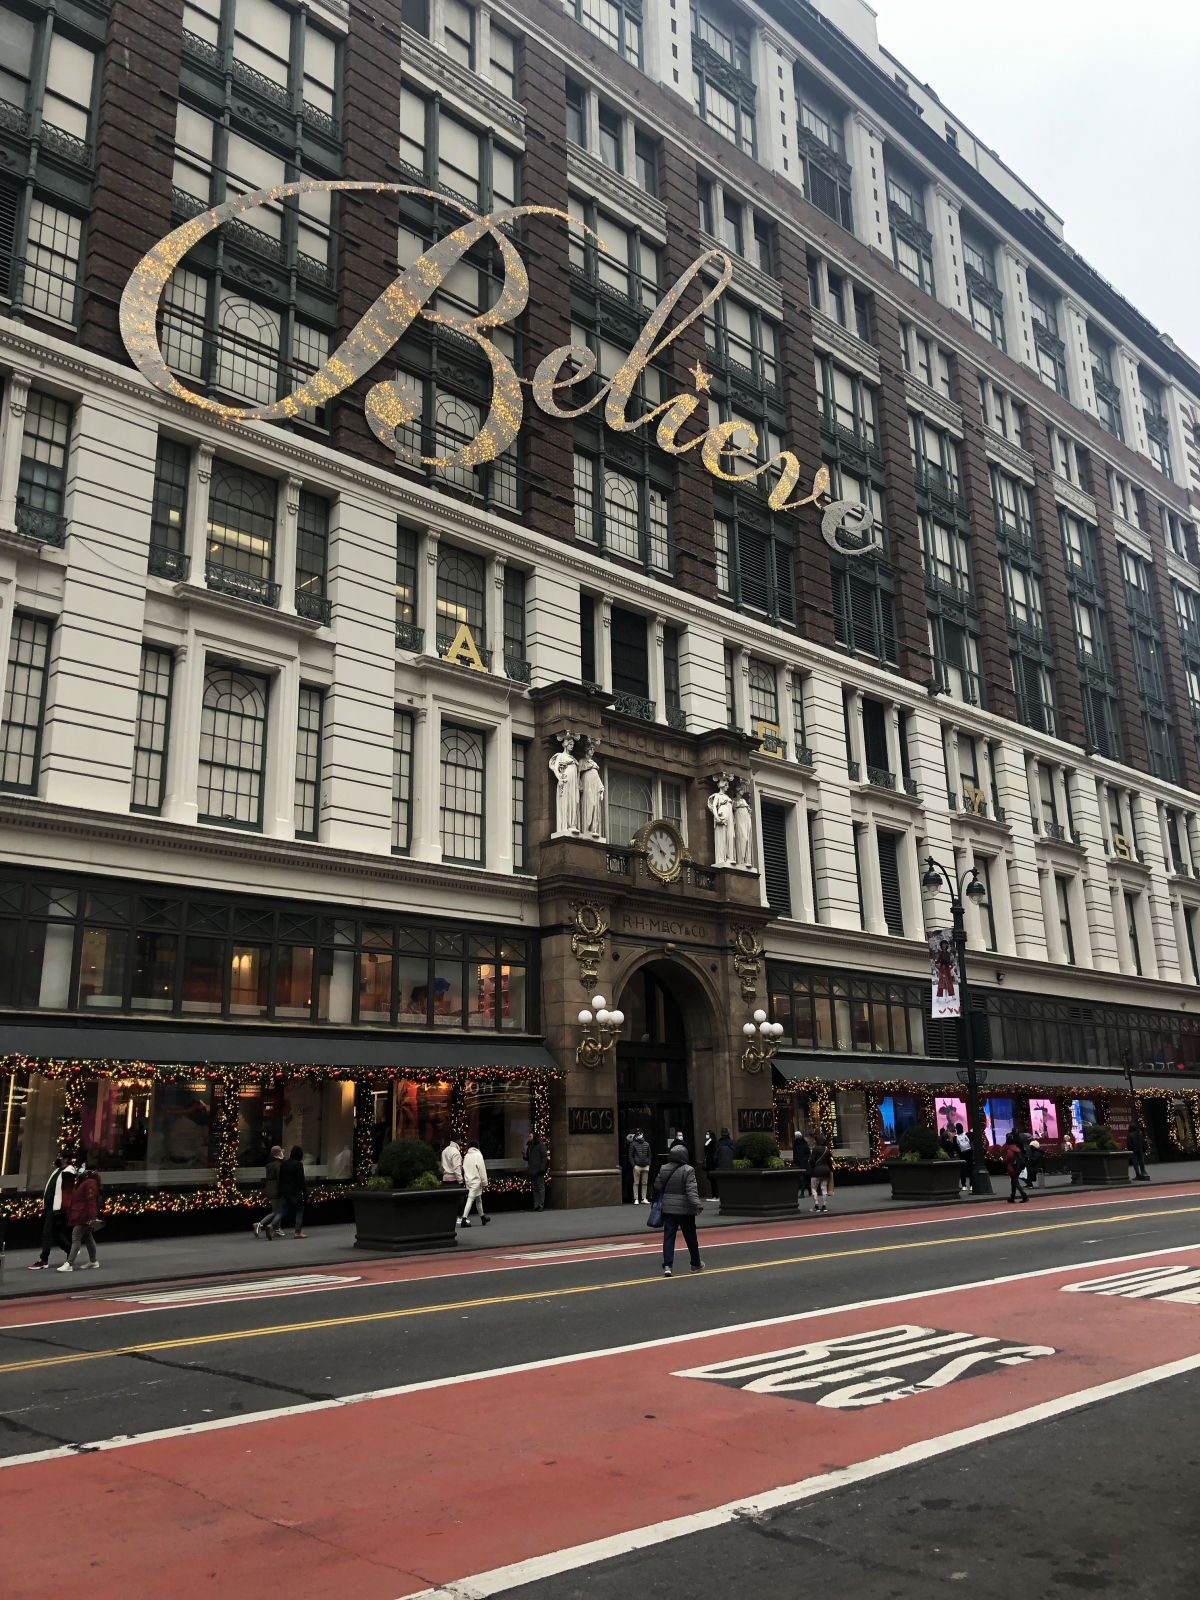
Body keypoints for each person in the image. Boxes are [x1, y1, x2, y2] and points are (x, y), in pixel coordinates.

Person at [653, 1137, 703, 1276]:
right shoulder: (689, 1170)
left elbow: (657, 1186)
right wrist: (697, 1205)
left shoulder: (663, 1168)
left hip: (668, 1208)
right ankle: (696, 1263)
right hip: (686, 1210)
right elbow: (691, 1191)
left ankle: (667, 1265)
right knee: (690, 1237)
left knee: (669, 1237)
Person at [30, 1152, 76, 1269]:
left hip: (57, 1208)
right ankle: (71, 1251)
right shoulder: (57, 1171)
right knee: (54, 1233)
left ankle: (44, 1260)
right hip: (50, 1206)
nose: (57, 1158)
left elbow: (66, 1193)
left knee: (47, 1233)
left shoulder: (68, 1172)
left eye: (60, 1157)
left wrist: (61, 1210)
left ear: (66, 1159)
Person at [57, 1156, 102, 1272]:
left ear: (88, 1169)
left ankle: (69, 1263)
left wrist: (92, 1218)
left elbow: (91, 1200)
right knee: (87, 1237)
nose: (80, 1168)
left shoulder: (90, 1182)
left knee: (76, 1237)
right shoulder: (84, 1181)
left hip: (83, 1215)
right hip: (81, 1213)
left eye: (82, 1166)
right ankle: (93, 1261)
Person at [277, 1144, 308, 1237]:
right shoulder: (298, 1164)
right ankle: (297, 1231)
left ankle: (272, 1225)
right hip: (294, 1192)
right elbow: (300, 1180)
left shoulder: (284, 1164)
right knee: (299, 1210)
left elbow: (280, 1178)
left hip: (285, 1191)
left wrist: (281, 1190)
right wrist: (304, 1193)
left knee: (283, 1211)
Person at [254, 1145, 284, 1239]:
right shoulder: (278, 1164)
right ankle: (259, 1224)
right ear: (278, 1154)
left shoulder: (269, 1164)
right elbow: (280, 1177)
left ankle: (277, 1230)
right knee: (276, 1211)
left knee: (277, 1210)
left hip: (269, 1187)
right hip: (276, 1188)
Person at [459, 1140, 489, 1227]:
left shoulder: (467, 1156)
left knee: (478, 1199)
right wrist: (484, 1182)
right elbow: (481, 1169)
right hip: (476, 1180)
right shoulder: (478, 1155)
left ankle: (483, 1218)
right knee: (471, 1199)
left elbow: (464, 1168)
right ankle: (464, 1219)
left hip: (469, 1180)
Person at [525, 1129, 549, 1211]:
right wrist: (525, 1157)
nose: (529, 1138)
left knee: (540, 1187)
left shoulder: (540, 1145)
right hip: (532, 1169)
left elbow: (544, 1157)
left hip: (538, 1169)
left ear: (534, 1137)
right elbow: (529, 1157)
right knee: (535, 1188)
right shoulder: (530, 1146)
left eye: (530, 1136)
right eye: (528, 1136)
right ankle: (536, 1204)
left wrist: (542, 1168)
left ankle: (541, 1204)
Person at [809, 1133, 833, 1213]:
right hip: (826, 1170)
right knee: (824, 1187)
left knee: (813, 1188)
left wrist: (810, 1167)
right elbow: (829, 1162)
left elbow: (812, 1161)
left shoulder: (815, 1149)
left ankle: (816, 1206)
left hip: (816, 1171)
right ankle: (824, 1206)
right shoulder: (827, 1149)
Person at [628, 1127, 651, 1204]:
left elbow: (649, 1155)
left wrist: (648, 1164)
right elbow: (630, 1155)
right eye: (638, 1133)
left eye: (640, 1133)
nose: (639, 1134)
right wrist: (633, 1165)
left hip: (645, 1165)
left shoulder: (646, 1144)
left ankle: (644, 1198)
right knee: (636, 1183)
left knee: (645, 1183)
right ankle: (636, 1198)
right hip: (637, 1165)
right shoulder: (633, 1144)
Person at [1003, 1132, 1028, 1203]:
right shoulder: (1017, 1149)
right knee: (1013, 1182)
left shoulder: (1009, 1151)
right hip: (1018, 1167)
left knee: (1015, 1182)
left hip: (1012, 1168)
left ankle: (1024, 1195)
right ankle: (1012, 1197)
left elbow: (1005, 1161)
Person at [791, 1127, 811, 1208]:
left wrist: (805, 1159)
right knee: (802, 1178)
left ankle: (805, 1190)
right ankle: (805, 1190)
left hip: (803, 1163)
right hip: (798, 1163)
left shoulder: (804, 1144)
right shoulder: (795, 1145)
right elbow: (794, 1154)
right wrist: (794, 1162)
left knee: (803, 1178)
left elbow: (808, 1153)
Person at [954, 1123, 973, 1193]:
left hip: (962, 1154)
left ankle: (964, 1185)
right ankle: (971, 1185)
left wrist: (960, 1152)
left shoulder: (955, 1137)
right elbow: (973, 1139)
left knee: (963, 1170)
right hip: (969, 1153)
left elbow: (955, 1147)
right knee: (971, 1169)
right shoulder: (967, 1134)